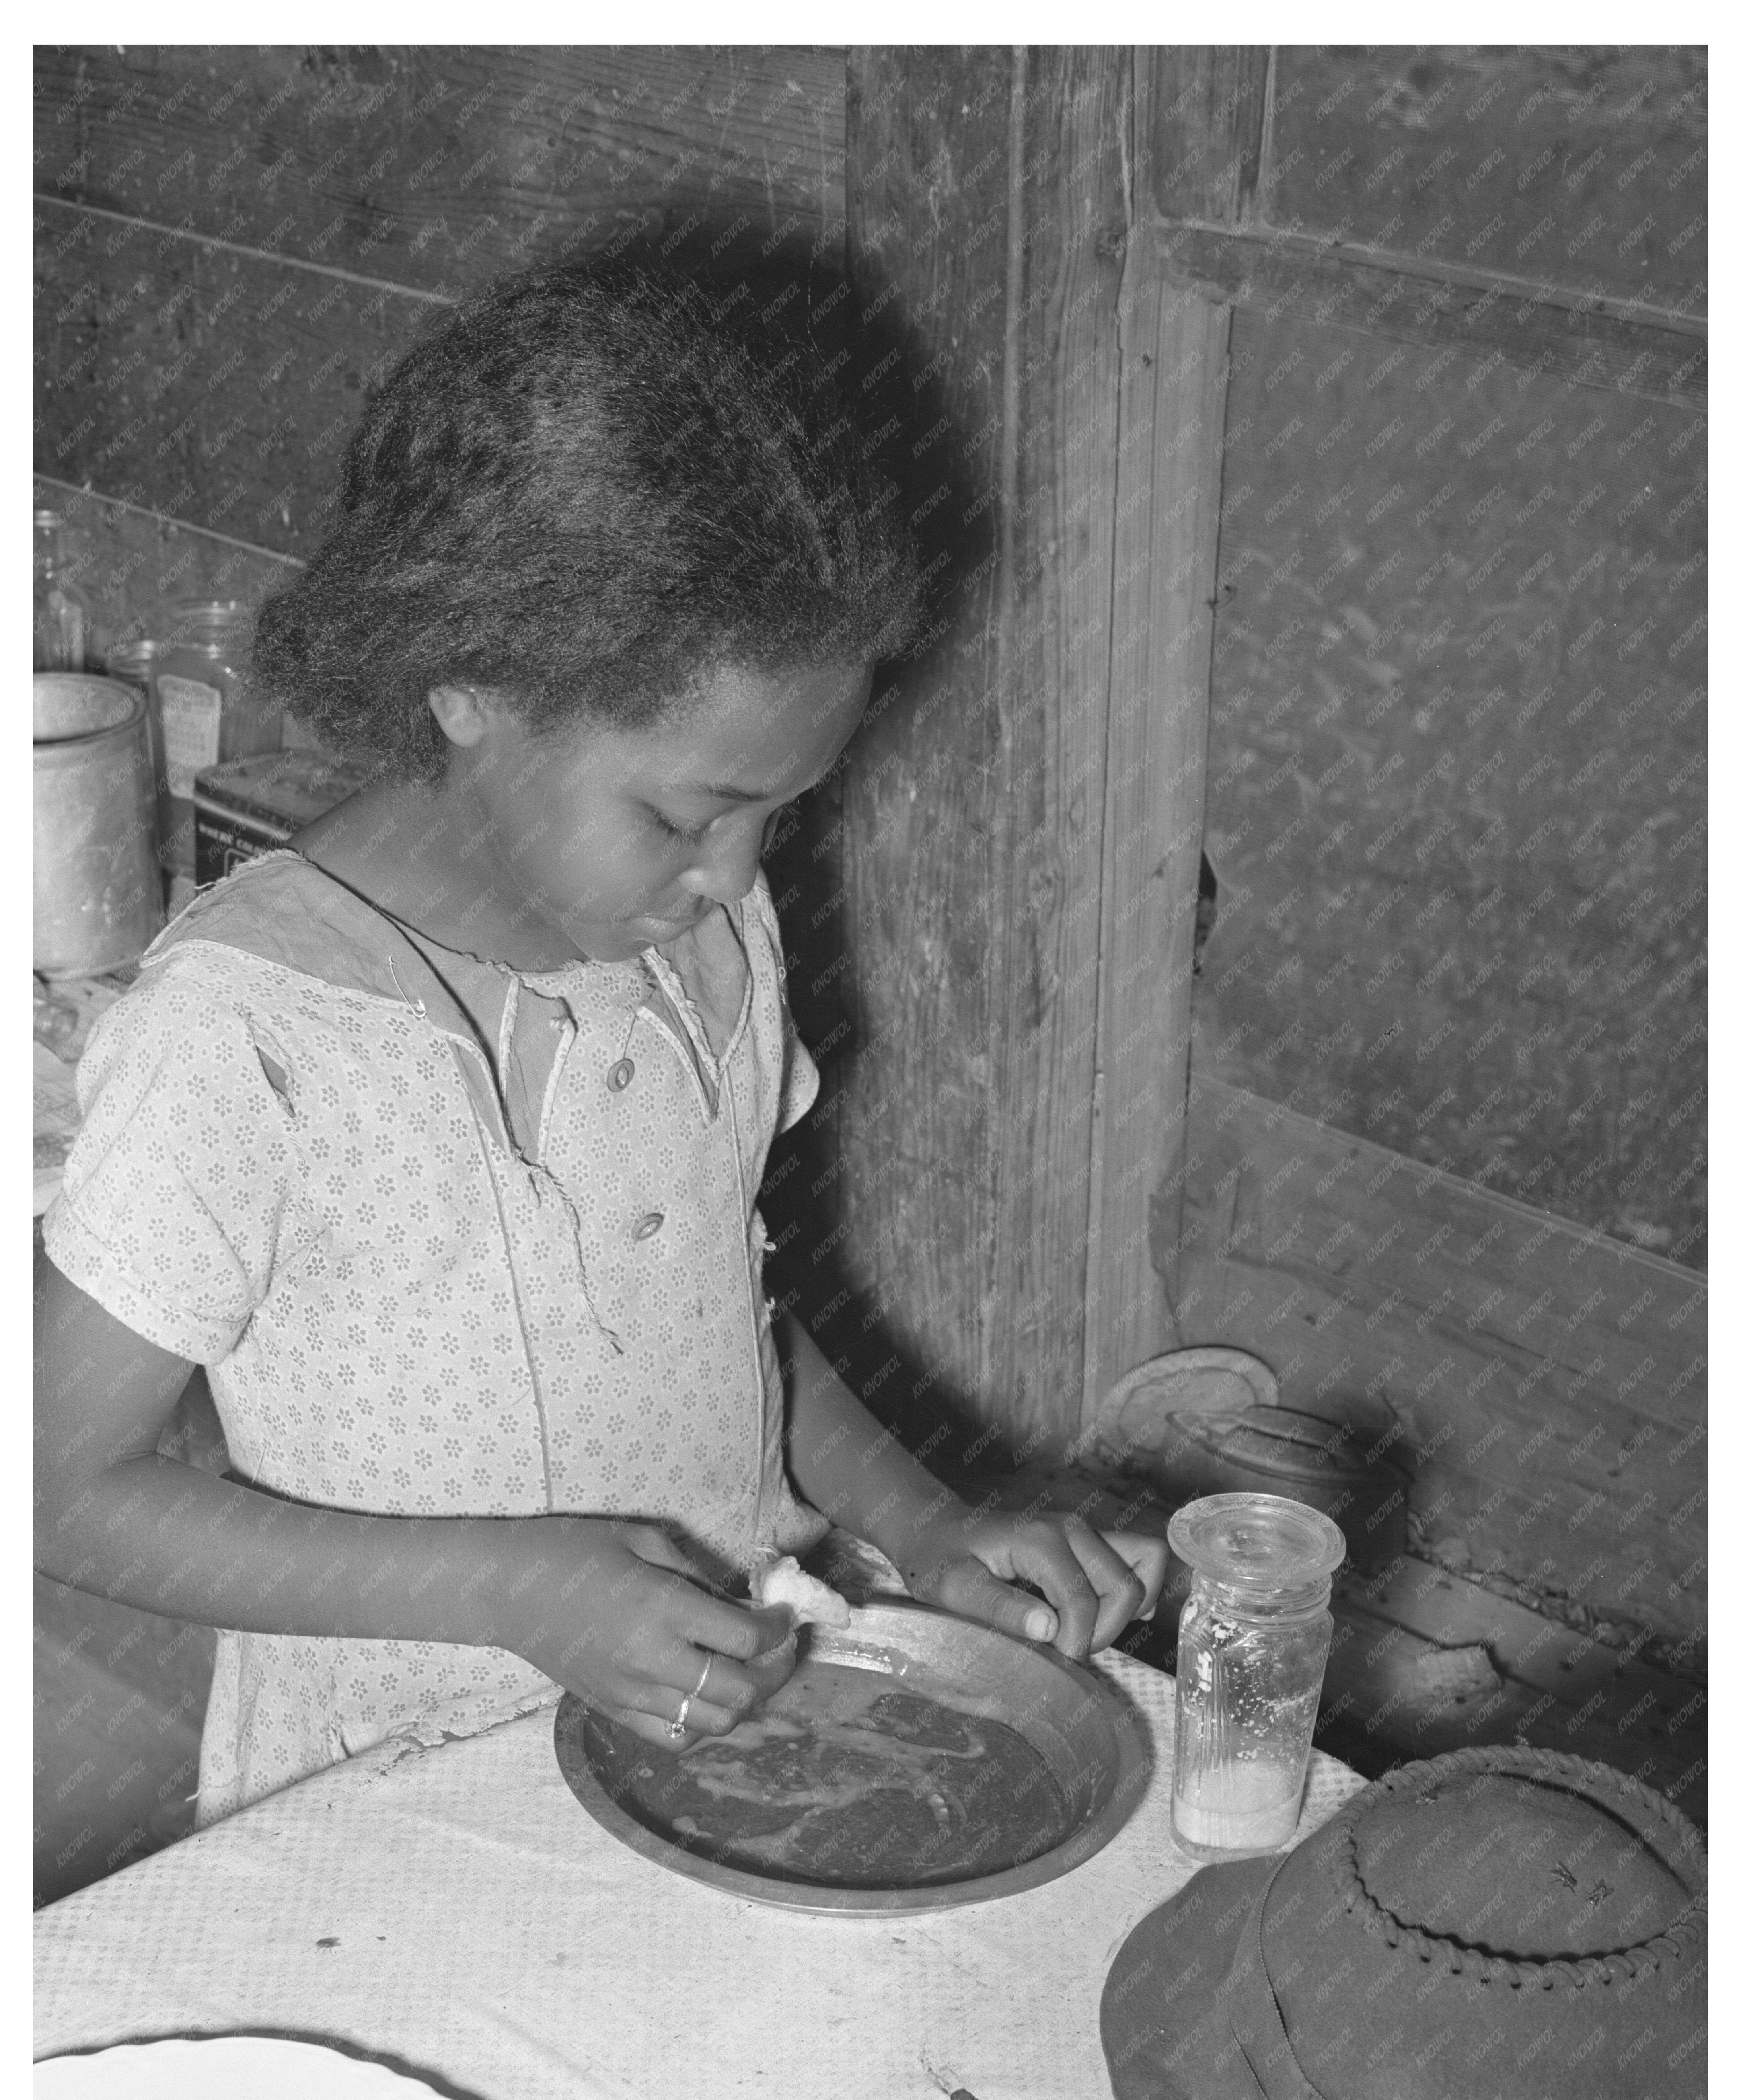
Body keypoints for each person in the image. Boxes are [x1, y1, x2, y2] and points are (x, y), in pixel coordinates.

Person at [35, 259, 1164, 1828]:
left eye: (781, 814)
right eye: (687, 813)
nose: (740, 878)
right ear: (473, 683)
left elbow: (719, 1308)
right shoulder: (248, 1039)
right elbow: (57, 1491)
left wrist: (923, 1524)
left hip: (728, 1724)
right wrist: (513, 1586)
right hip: (391, 1802)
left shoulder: (696, 945)